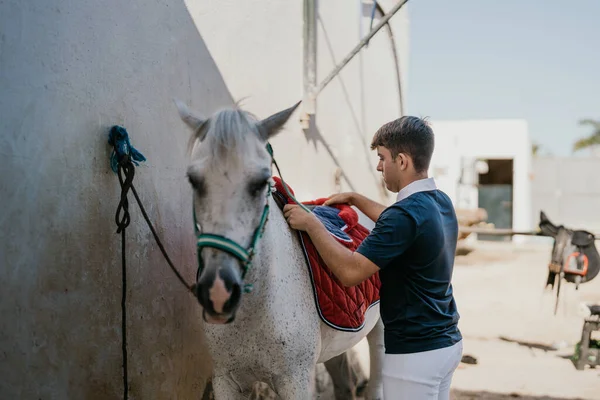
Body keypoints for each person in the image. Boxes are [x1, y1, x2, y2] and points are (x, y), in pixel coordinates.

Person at [283, 116, 462, 399]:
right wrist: (355, 199)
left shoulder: (403, 216)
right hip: (446, 343)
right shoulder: (439, 202)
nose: (379, 166)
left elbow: (350, 272)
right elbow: (401, 224)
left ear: (402, 161)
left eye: (382, 158)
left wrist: (312, 225)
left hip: (414, 354)